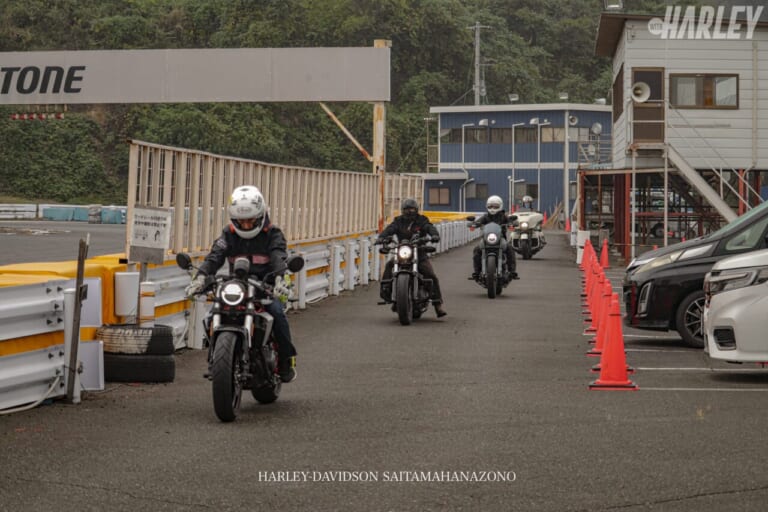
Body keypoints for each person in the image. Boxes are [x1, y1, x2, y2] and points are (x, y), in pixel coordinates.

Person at [185, 185, 298, 383]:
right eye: (241, 221)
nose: (245, 225)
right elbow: (214, 256)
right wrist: (201, 277)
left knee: (277, 313)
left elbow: (278, 256)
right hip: (237, 286)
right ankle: (216, 356)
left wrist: (281, 278)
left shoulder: (273, 234)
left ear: (260, 216)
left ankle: (286, 360)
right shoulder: (228, 234)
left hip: (265, 288)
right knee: (212, 315)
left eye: (250, 220)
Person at [377, 198, 446, 318]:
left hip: (419, 253)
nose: (409, 211)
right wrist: (382, 237)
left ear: (416, 210)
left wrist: (434, 235)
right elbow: (390, 229)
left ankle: (437, 304)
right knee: (389, 265)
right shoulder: (398, 220)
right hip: (402, 252)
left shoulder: (422, 220)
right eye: (407, 209)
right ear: (402, 210)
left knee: (430, 274)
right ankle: (387, 293)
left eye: (412, 209)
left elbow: (429, 227)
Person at [471, 195, 519, 280]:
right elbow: (478, 222)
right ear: (487, 206)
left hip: (501, 239)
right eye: (490, 206)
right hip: (486, 239)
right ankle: (477, 272)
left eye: (495, 206)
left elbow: (510, 221)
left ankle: (512, 271)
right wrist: (474, 224)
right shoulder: (485, 216)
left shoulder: (503, 216)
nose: (492, 208)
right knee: (477, 250)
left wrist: (512, 223)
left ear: (500, 206)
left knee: (510, 249)